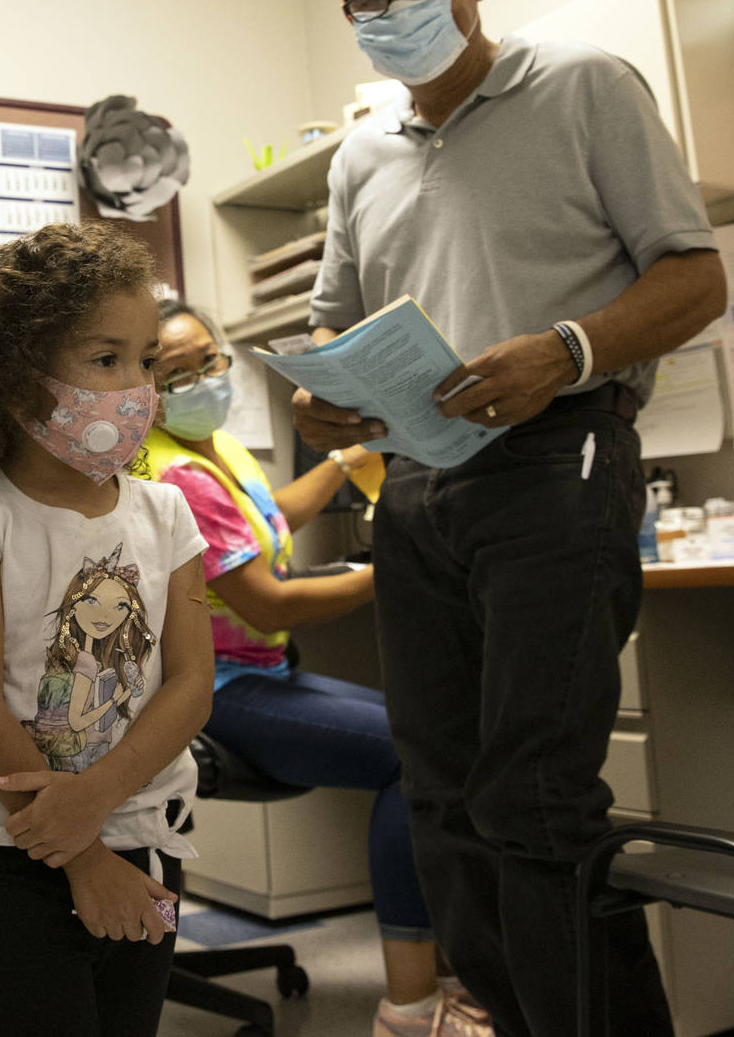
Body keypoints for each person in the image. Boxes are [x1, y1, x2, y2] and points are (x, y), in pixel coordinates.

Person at [292, 0, 728, 1037]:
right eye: (366, 2)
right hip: (416, 485)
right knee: (441, 801)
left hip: (555, 460)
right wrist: (325, 400)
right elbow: (335, 327)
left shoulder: (582, 84)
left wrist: (567, 350)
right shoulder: (359, 157)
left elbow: (695, 277)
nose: (391, 14)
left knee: (532, 801)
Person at [0, 222, 214, 1037]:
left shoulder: (168, 513)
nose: (136, 387)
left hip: (148, 839)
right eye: (105, 360)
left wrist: (97, 808)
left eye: (145, 361)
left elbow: (190, 684)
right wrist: (80, 854)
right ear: (15, 378)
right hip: (17, 857)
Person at [144, 298, 492, 1037]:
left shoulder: (218, 452)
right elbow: (268, 605)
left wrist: (341, 461)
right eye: (180, 374)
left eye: (212, 359)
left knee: (435, 741)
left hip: (260, 673)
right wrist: (391, 569)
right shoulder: (174, 474)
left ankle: (455, 971)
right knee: (413, 755)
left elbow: (271, 518)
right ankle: (410, 1002)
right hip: (215, 687)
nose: (208, 379)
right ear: (145, 390)